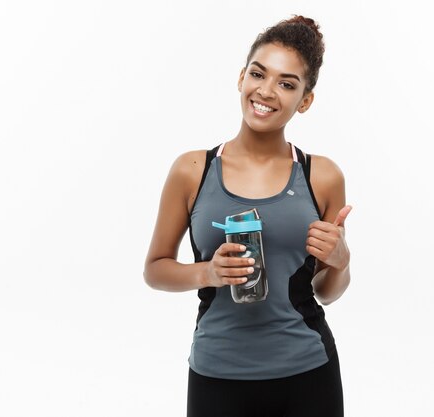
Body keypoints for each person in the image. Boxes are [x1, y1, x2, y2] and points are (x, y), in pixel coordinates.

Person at [144, 15, 352, 417]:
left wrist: (342, 261)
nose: (267, 91)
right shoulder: (192, 170)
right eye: (259, 73)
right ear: (241, 77)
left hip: (308, 371)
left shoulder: (322, 176)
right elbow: (155, 269)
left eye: (287, 83)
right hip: (217, 373)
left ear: (305, 100)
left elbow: (326, 290)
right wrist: (207, 273)